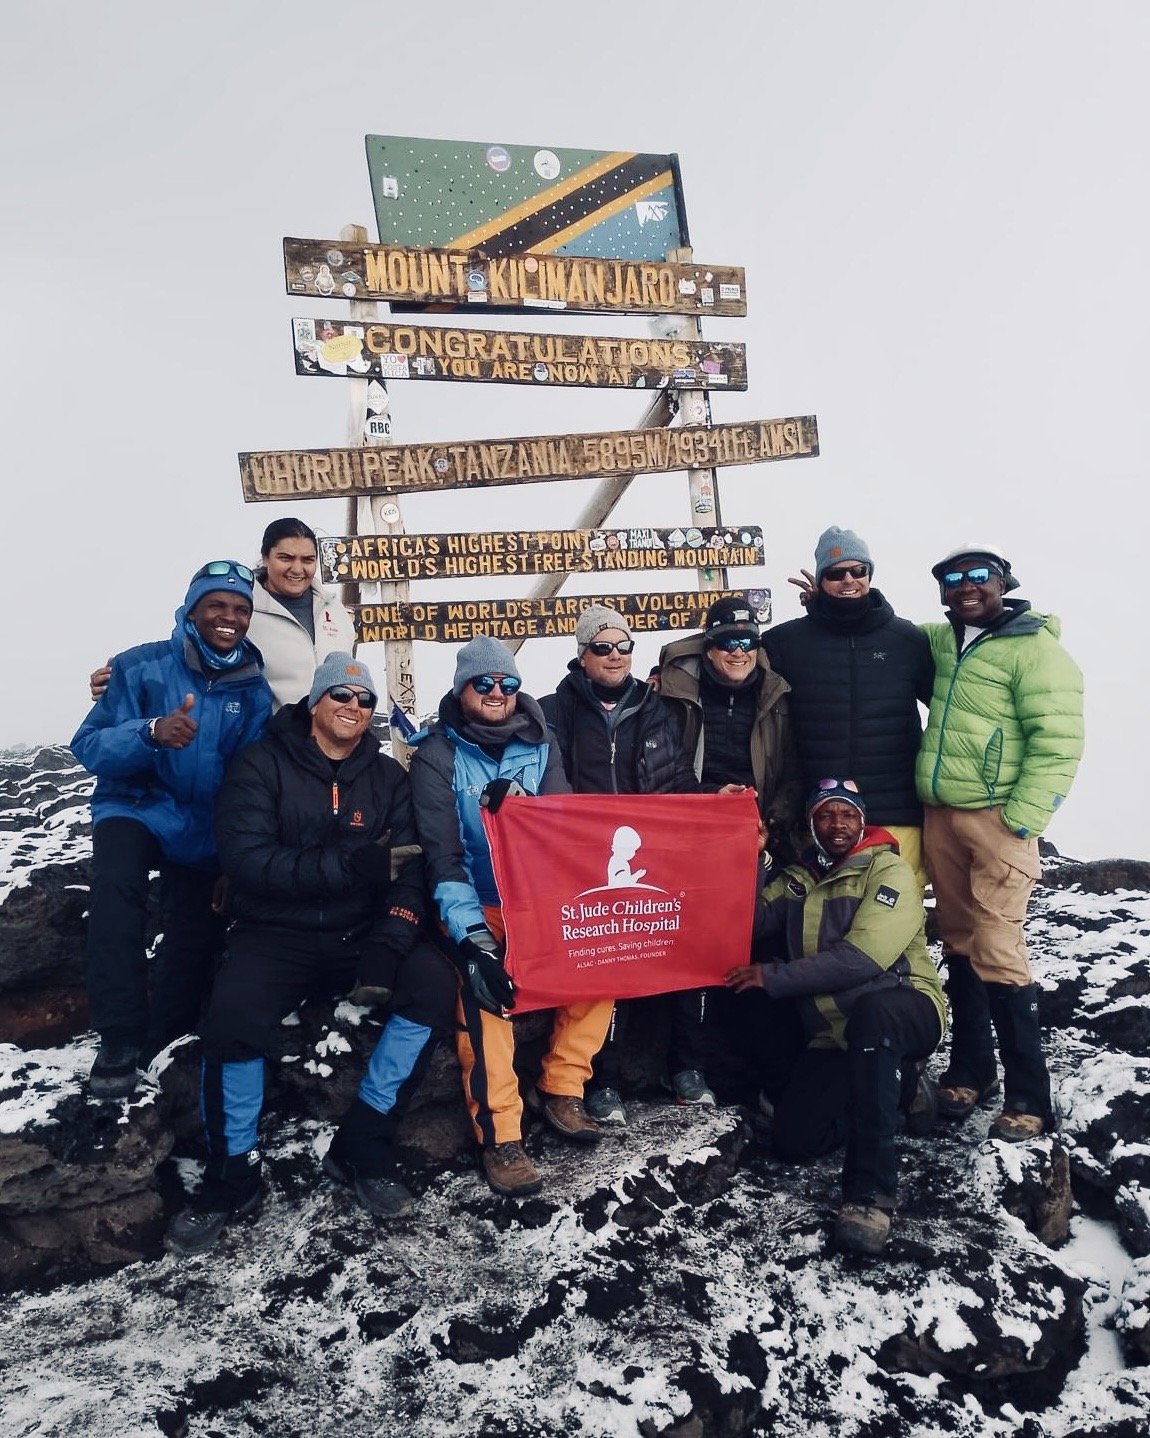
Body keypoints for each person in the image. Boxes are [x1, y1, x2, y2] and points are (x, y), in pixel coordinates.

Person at [165, 653, 455, 1255]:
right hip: (274, 932)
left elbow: (407, 873)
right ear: (315, 703)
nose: (354, 708)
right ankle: (232, 1173)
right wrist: (350, 865)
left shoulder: (387, 778)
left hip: (357, 933)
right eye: (342, 696)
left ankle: (364, 1144)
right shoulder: (260, 764)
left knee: (431, 985)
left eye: (365, 700)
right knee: (233, 1018)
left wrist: (388, 943)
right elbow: (249, 863)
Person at [409, 635, 613, 1198]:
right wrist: (472, 937)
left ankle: (563, 1087)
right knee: (485, 994)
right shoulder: (437, 755)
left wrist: (522, 812)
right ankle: (501, 1134)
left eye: (509, 684)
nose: (498, 693)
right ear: (462, 688)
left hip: (539, 895)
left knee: (601, 964)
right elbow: (442, 857)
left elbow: (560, 826)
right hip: (477, 899)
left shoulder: (540, 741)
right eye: (485, 683)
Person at [71, 561, 273, 1097]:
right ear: (191, 609)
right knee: (117, 895)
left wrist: (232, 857)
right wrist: (151, 733)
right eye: (216, 606)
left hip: (203, 824)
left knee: (195, 930)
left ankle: (162, 1042)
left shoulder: (253, 689)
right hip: (135, 806)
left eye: (240, 609)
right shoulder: (140, 667)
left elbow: (248, 780)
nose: (228, 618)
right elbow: (88, 746)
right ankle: (117, 1037)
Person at [726, 780, 946, 1256]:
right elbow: (745, 921)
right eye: (826, 815)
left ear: (862, 820)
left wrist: (776, 977)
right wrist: (755, 859)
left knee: (873, 1014)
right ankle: (900, 1086)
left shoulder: (889, 870)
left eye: (847, 814)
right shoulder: (798, 876)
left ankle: (869, 1195)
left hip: (904, 1008)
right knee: (792, 1141)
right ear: (812, 823)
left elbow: (862, 959)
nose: (837, 824)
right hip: (834, 1033)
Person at [916, 545, 1084, 1141]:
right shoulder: (941, 641)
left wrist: (1024, 817)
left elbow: (1058, 741)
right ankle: (971, 1070)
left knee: (998, 946)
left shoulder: (1036, 649)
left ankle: (1031, 1098)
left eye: (978, 577)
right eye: (953, 579)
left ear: (1003, 583)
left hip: (997, 820)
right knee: (959, 942)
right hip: (940, 816)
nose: (966, 587)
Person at [539, 605, 718, 1123]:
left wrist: (716, 800)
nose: (615, 656)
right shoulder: (555, 710)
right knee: (603, 964)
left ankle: (687, 1068)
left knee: (685, 948)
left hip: (654, 850)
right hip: (583, 858)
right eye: (602, 647)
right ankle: (602, 1078)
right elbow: (546, 783)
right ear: (582, 655)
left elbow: (677, 778)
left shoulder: (653, 707)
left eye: (623, 647)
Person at [763, 527, 933, 885]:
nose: (849, 580)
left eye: (859, 571)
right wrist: (661, 678)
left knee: (899, 920)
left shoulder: (906, 640)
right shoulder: (785, 642)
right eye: (836, 573)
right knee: (821, 923)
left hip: (896, 810)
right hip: (821, 813)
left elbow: (951, 710)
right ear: (822, 578)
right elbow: (733, 667)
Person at [88, 516, 356, 710]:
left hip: (337, 747)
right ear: (265, 558)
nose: (297, 569)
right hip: (274, 749)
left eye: (307, 560)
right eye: (285, 558)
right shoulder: (239, 610)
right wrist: (127, 678)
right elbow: (186, 653)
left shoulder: (333, 610)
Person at [658, 594, 802, 857]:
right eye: (728, 642)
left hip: (761, 830)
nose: (739, 651)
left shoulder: (778, 696)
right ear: (709, 649)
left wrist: (773, 823)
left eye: (748, 642)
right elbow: (667, 767)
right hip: (692, 826)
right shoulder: (674, 696)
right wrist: (712, 796)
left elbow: (793, 771)